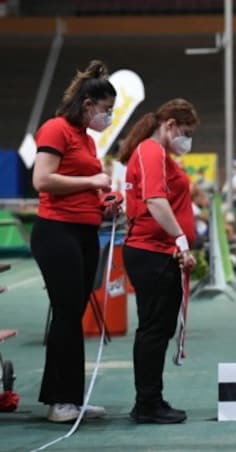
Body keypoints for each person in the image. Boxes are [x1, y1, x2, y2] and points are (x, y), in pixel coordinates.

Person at [30, 60, 116, 423]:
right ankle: (59, 401)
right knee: (66, 314)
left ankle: (69, 398)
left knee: (73, 316)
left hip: (85, 232)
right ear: (87, 105)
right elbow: (43, 180)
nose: (108, 116)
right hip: (56, 232)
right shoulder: (56, 129)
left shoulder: (86, 139)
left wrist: (105, 202)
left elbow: (84, 186)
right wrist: (92, 183)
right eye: (106, 110)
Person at [117, 98, 199, 424]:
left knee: (158, 328)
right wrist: (182, 242)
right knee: (153, 330)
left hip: (156, 251)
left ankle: (151, 400)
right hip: (152, 251)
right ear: (169, 125)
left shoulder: (158, 155)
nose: (187, 139)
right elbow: (155, 201)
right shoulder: (151, 152)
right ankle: (147, 403)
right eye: (186, 131)